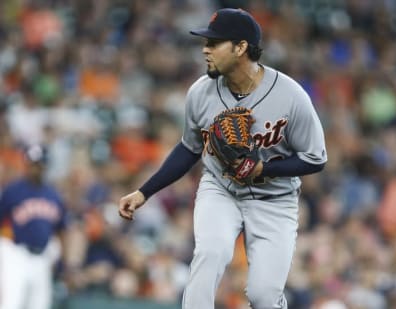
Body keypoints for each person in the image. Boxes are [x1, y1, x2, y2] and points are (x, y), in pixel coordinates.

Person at [118, 8, 327, 309]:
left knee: (264, 296)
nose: (205, 49)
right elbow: (189, 148)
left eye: (215, 43)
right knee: (209, 253)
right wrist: (144, 191)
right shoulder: (200, 93)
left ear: (241, 47)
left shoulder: (291, 96)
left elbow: (316, 159)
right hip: (221, 189)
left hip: (275, 199)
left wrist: (263, 168)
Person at [0, 144, 69, 309]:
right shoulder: (13, 191)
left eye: (40, 164)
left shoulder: (53, 195)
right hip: (15, 254)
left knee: (39, 305)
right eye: (33, 164)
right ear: (27, 164)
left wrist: (61, 261)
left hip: (42, 257)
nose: (36, 168)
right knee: (12, 303)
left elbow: (60, 229)